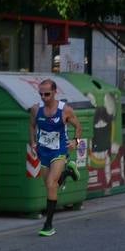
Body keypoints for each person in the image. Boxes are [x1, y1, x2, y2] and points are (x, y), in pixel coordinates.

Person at [30, 78, 85, 237]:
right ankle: (68, 172)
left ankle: (48, 225)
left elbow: (79, 127)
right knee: (51, 186)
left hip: (59, 150)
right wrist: (33, 142)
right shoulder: (35, 109)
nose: (44, 97)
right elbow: (32, 126)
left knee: (51, 182)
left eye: (47, 94)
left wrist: (76, 141)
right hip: (43, 151)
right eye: (41, 94)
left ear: (55, 92)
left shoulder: (65, 110)